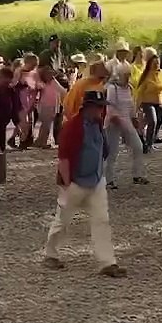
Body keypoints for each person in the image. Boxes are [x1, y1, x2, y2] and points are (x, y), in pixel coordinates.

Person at [43, 90, 125, 278]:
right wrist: (66, 183)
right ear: (88, 107)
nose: (101, 110)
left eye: (102, 107)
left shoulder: (98, 124)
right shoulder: (73, 127)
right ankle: (51, 254)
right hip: (75, 182)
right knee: (63, 220)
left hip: (96, 180)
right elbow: (64, 157)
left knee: (101, 221)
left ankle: (107, 262)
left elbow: (103, 150)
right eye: (98, 107)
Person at [104, 61, 148, 189]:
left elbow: (131, 105)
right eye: (126, 74)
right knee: (112, 151)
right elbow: (110, 107)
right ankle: (108, 180)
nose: (128, 77)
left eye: (129, 74)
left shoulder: (129, 88)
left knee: (138, 146)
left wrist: (134, 118)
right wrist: (119, 121)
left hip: (127, 121)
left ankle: (137, 175)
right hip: (113, 122)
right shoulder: (112, 88)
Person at [134, 49, 162, 154]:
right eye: (154, 63)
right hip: (147, 102)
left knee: (160, 121)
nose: (157, 65)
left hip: (160, 101)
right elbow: (140, 91)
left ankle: (151, 142)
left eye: (158, 63)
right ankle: (147, 145)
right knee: (153, 121)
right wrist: (137, 105)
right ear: (150, 64)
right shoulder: (146, 75)